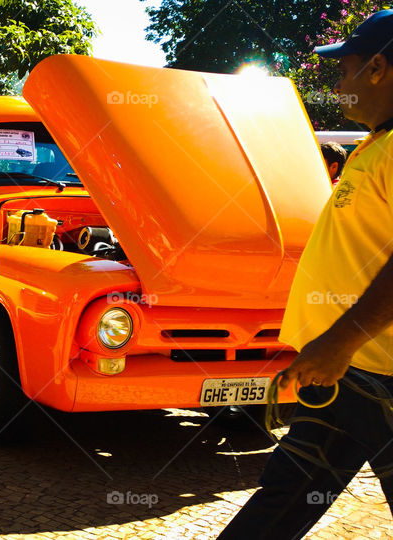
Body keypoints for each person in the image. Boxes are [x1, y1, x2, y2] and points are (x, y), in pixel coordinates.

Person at [219, 9, 393, 539]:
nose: (338, 81)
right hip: (346, 374)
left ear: (379, 69)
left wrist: (339, 343)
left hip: (375, 374)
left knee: (285, 497)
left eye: (346, 69)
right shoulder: (377, 145)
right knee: (284, 497)